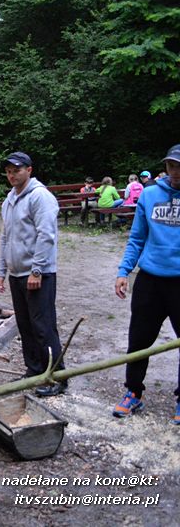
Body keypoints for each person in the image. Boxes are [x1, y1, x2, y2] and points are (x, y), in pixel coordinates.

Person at [112, 144, 180, 424]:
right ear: (166, 167)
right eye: (172, 165)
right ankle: (133, 392)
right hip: (150, 280)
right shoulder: (150, 194)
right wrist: (123, 270)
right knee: (139, 340)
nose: (176, 172)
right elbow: (137, 238)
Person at [0, 151, 66, 396]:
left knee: (43, 326)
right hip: (16, 273)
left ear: (29, 170)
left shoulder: (40, 197)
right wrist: (2, 270)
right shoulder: (10, 199)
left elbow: (47, 235)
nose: (12, 174)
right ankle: (34, 370)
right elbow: (6, 236)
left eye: (17, 170)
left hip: (38, 274)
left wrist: (37, 270)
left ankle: (57, 377)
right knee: (25, 325)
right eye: (8, 171)